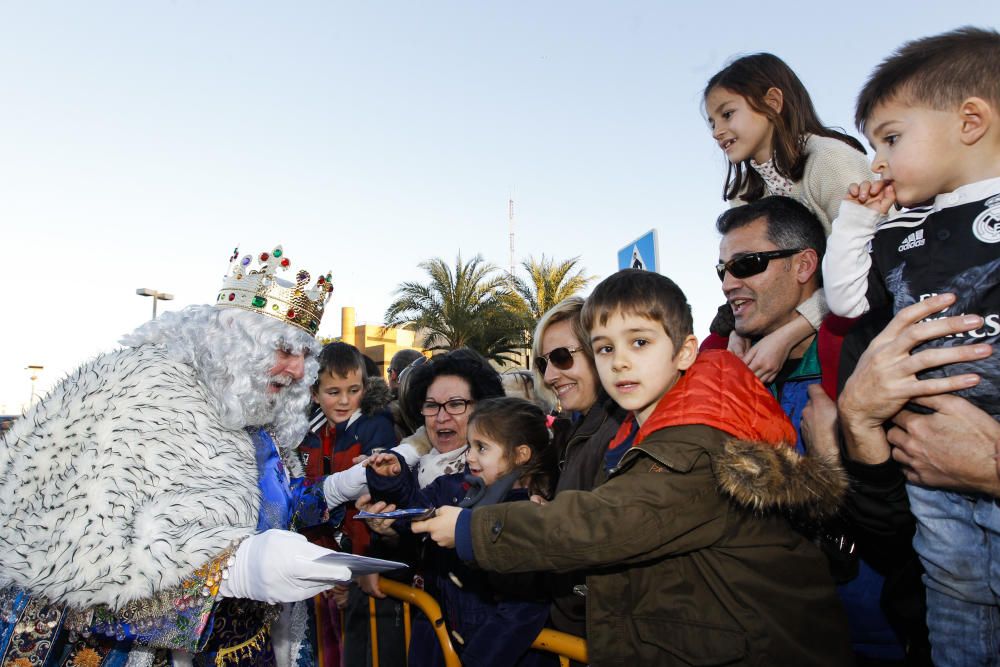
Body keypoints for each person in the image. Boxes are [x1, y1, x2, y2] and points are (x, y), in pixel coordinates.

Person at [413, 269, 853, 666]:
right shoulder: (641, 435)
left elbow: (603, 522)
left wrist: (472, 529)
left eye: (639, 342)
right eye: (605, 348)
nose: (619, 361)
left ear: (684, 353)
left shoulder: (696, 443)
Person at [0, 246, 361, 667]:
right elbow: (77, 561)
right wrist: (229, 571)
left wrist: (340, 487)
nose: (299, 371)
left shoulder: (252, 418)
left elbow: (272, 509)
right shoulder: (136, 391)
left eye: (304, 355)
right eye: (284, 349)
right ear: (231, 340)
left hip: (249, 648)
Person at [820, 27, 1000, 663]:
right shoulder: (903, 229)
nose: (879, 161)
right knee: (957, 612)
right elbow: (844, 300)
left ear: (970, 120)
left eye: (892, 138)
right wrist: (857, 220)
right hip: (931, 485)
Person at [707, 196, 919, 663]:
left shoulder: (867, 358)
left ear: (805, 265)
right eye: (721, 270)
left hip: (874, 635)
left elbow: (909, 521)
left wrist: (839, 459)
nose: (728, 283)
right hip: (774, 633)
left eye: (747, 264)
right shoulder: (727, 366)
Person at [704, 52, 873, 382]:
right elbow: (741, 273)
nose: (717, 131)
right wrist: (741, 330)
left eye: (727, 114)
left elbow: (873, 261)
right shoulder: (745, 194)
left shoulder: (830, 160)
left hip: (859, 304)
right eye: (712, 123)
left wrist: (790, 333)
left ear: (772, 102)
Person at [366, 397, 558, 667]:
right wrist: (390, 480)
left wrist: (475, 660)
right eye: (470, 445)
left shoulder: (527, 516)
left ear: (520, 454)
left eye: (482, 448)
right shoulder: (454, 488)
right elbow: (411, 511)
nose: (469, 456)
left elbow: (522, 609)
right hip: (443, 646)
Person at [531, 297, 628, 640]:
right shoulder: (578, 428)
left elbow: (608, 536)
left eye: (562, 358)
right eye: (544, 362)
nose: (550, 375)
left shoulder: (621, 429)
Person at [298, 342, 399, 667]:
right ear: (315, 393)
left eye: (353, 390)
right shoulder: (306, 432)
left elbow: (375, 499)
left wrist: (353, 570)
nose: (343, 400)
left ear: (364, 388)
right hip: (323, 566)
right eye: (333, 391)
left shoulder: (375, 427)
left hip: (364, 562)